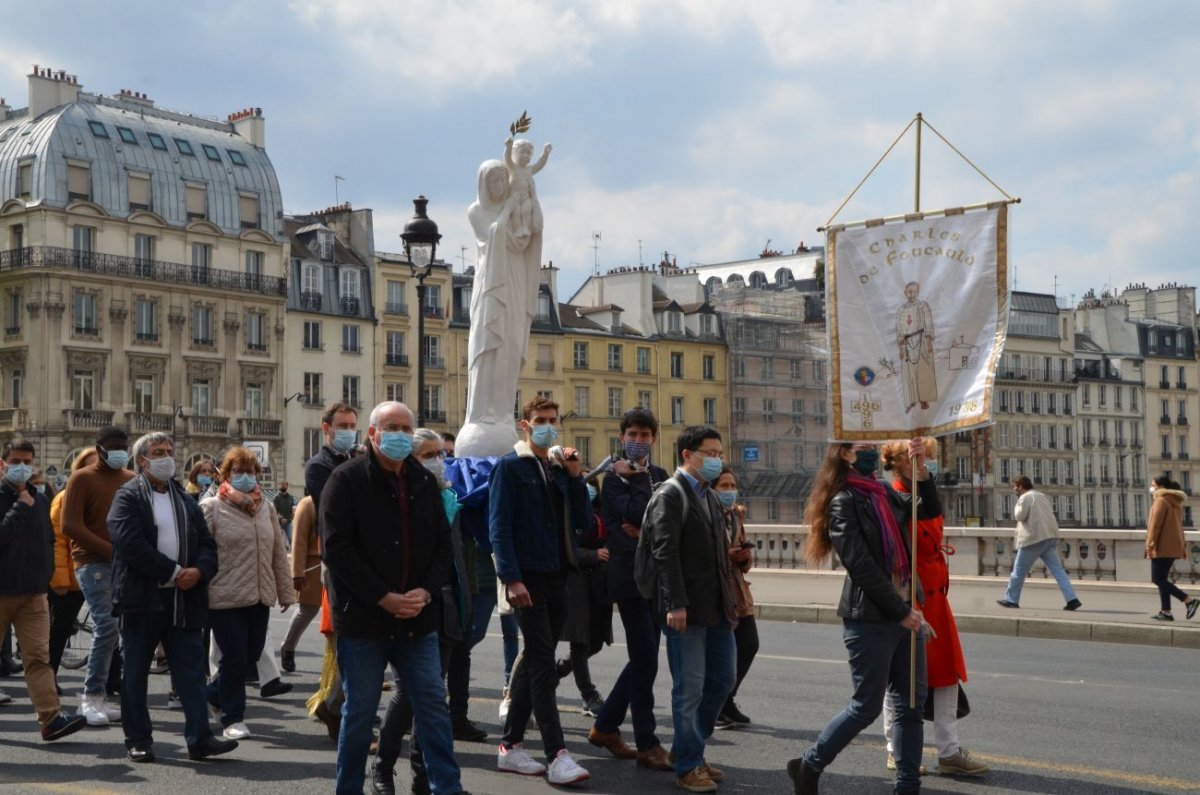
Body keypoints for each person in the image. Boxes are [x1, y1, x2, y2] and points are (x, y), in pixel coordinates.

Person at [320, 401, 468, 795]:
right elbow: (336, 550)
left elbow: (441, 546)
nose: (401, 435)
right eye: (392, 427)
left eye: (407, 428)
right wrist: (383, 597)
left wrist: (425, 590)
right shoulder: (346, 479)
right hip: (365, 621)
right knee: (360, 713)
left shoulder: (421, 480)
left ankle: (446, 788)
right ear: (372, 433)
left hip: (417, 619)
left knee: (434, 708)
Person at [787, 440, 931, 795]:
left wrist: (921, 470)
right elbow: (861, 566)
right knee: (866, 705)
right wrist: (902, 613)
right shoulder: (842, 502)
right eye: (865, 446)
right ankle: (810, 763)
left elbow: (926, 511)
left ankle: (907, 784)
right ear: (847, 454)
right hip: (870, 617)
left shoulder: (883, 492)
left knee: (911, 705)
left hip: (906, 609)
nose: (873, 452)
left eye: (874, 445)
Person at [108, 432, 236, 763]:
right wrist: (173, 571)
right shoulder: (128, 497)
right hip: (143, 599)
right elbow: (129, 544)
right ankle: (138, 739)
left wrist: (199, 571)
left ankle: (200, 737)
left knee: (190, 672)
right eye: (157, 452)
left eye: (169, 451)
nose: (166, 457)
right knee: (135, 672)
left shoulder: (183, 497)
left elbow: (207, 544)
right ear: (142, 460)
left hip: (184, 600)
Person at [489, 396, 591, 785]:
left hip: (557, 576)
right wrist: (511, 579)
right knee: (544, 664)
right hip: (527, 578)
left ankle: (510, 746)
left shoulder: (557, 470)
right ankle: (557, 754)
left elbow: (582, 522)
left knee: (535, 659)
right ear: (525, 425)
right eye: (540, 421)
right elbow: (498, 528)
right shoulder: (510, 468)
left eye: (553, 420)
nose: (548, 426)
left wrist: (575, 475)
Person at [373, 428, 473, 795]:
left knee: (430, 696)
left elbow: (456, 557)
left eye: (440, 453)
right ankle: (383, 766)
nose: (438, 461)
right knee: (410, 694)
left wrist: (464, 605)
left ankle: (421, 777)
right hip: (412, 605)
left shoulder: (448, 497)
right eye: (428, 454)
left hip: (445, 607)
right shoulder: (402, 498)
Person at [880, 440, 988, 777]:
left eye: (928, 457)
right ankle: (895, 750)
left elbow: (930, 508)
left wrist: (923, 473)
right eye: (920, 456)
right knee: (900, 677)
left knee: (947, 675)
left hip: (936, 597)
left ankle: (949, 750)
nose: (926, 462)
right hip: (910, 594)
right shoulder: (890, 496)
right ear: (899, 461)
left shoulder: (922, 489)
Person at [646, 426, 737, 793]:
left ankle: (690, 751)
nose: (717, 460)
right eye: (710, 453)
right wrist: (675, 604)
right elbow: (664, 554)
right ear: (687, 455)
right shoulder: (671, 494)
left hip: (717, 608)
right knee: (689, 689)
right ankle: (686, 766)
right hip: (686, 610)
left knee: (723, 681)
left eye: (719, 453)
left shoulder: (711, 497)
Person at [588, 407, 673, 774]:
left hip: (657, 577)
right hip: (629, 579)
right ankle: (647, 744)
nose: (638, 441)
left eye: (644, 435)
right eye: (632, 435)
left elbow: (665, 521)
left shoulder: (661, 475)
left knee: (646, 656)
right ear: (622, 437)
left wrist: (648, 526)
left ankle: (606, 726)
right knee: (646, 659)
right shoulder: (613, 479)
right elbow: (637, 517)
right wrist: (637, 482)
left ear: (654, 438)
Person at [201, 447, 294, 741]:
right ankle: (233, 717)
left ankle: (211, 695)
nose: (245, 476)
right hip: (224, 595)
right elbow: (200, 553)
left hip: (259, 594)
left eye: (251, 471)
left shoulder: (265, 508)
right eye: (238, 471)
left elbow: (278, 552)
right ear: (226, 475)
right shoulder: (211, 508)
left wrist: (285, 590)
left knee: (251, 655)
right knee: (234, 657)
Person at [0, 440, 88, 742]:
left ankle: (51, 719)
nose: (21, 466)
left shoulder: (38, 499)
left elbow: (49, 540)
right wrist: (19, 507)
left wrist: (46, 575)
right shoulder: (21, 501)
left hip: (33, 594)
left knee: (38, 657)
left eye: (27, 461)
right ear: (3, 464)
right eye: (15, 461)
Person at [61, 425, 135, 726]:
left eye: (123, 445)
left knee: (124, 628)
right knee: (106, 624)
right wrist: (111, 551)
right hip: (91, 562)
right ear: (100, 447)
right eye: (113, 445)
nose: (119, 450)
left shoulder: (131, 479)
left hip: (125, 564)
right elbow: (70, 526)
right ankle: (90, 697)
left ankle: (106, 696)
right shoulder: (82, 478)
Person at [463, 159, 541, 431]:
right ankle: (482, 411)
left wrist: (530, 194)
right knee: (488, 344)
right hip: (491, 281)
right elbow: (491, 236)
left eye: (501, 180)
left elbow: (528, 236)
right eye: (493, 181)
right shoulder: (476, 211)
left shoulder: (516, 210)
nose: (498, 186)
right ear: (484, 184)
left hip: (515, 275)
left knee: (509, 343)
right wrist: (507, 210)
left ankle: (503, 410)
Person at [304, 401, 360, 738]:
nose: (348, 431)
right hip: (339, 557)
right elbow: (335, 508)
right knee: (349, 636)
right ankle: (338, 707)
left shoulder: (356, 461)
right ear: (327, 429)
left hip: (362, 554)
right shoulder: (319, 466)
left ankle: (341, 703)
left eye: (352, 425)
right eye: (342, 425)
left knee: (360, 637)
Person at [556, 475, 612, 717]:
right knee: (580, 641)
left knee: (596, 640)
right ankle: (588, 694)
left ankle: (556, 671)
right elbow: (564, 547)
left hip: (598, 582)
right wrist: (592, 555)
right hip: (575, 580)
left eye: (590, 485)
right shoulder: (566, 512)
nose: (587, 490)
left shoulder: (603, 512)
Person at [47, 450, 98, 689]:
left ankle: (111, 681)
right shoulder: (65, 498)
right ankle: (48, 678)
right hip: (71, 580)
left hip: (101, 575)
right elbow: (57, 541)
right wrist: (59, 580)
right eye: (89, 467)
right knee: (60, 631)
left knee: (109, 630)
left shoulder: (111, 497)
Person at [712, 467, 758, 730]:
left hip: (739, 592)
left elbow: (745, 561)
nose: (730, 491)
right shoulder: (708, 515)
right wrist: (727, 556)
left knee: (749, 644)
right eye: (723, 486)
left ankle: (727, 698)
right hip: (718, 593)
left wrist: (743, 557)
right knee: (722, 653)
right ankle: (717, 704)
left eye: (732, 485)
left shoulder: (735, 517)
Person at [997, 476, 1081, 611]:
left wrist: (1017, 503)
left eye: (1015, 487)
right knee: (1058, 570)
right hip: (1049, 537)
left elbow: (1019, 516)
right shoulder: (1041, 495)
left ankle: (1011, 599)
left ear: (1021, 486)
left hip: (1033, 539)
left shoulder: (1025, 497)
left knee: (1018, 571)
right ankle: (1072, 599)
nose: (1014, 489)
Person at [1145, 475, 1199, 621]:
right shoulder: (1174, 501)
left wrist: (1150, 544)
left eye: (1154, 485)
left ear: (1161, 486)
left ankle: (1189, 601)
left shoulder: (1161, 501)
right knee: (1162, 579)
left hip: (1162, 546)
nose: (1152, 488)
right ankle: (1166, 612)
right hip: (1173, 545)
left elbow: (1155, 526)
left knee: (1157, 579)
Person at [281, 495, 321, 672]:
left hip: (337, 567)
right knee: (307, 611)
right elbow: (298, 541)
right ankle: (288, 647)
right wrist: (297, 573)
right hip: (313, 567)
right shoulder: (307, 504)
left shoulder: (342, 496)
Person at [896, 281, 937, 413]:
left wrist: (929, 339)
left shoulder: (922, 306)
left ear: (917, 292)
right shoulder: (901, 310)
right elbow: (899, 327)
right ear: (905, 293)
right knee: (908, 373)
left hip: (921, 340)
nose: (911, 294)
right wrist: (900, 345)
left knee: (923, 371)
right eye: (909, 292)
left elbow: (928, 322)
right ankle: (911, 400)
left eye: (914, 292)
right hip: (907, 343)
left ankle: (924, 399)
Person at [502, 136, 552, 241]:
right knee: (516, 212)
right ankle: (518, 229)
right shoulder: (513, 168)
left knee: (526, 210)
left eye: (528, 154)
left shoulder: (529, 170)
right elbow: (507, 159)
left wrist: (545, 153)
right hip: (514, 197)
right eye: (522, 152)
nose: (526, 156)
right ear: (514, 153)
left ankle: (525, 227)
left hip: (526, 197)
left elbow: (540, 164)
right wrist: (508, 147)